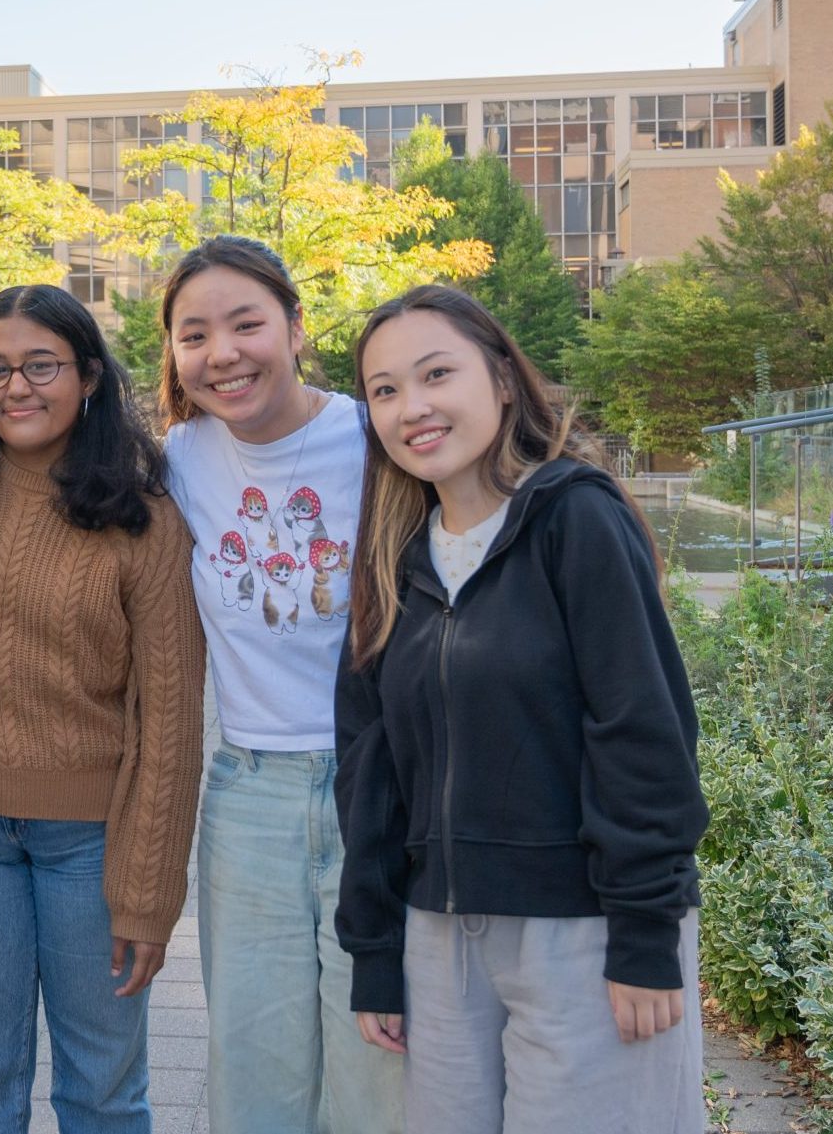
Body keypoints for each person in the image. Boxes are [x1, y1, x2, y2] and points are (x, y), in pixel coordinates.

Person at [334, 284, 709, 1133]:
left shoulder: (574, 518)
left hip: (583, 930)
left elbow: (642, 728)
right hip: (440, 938)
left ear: (503, 380)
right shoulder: (394, 563)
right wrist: (376, 952)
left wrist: (645, 934)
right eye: (385, 390)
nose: (412, 407)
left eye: (436, 374)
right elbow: (371, 766)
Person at [0, 284, 204, 1134]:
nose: (16, 387)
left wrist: (150, 893)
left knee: (103, 1090)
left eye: (41, 365)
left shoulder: (143, 518)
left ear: (91, 378)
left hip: (90, 844)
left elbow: (172, 722)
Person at [158, 235, 404, 1133]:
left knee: (380, 1070)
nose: (222, 353)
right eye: (194, 335)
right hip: (247, 797)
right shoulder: (177, 460)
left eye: (246, 323)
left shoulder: (377, 435)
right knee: (254, 1077)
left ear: (297, 329)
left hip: (378, 790)